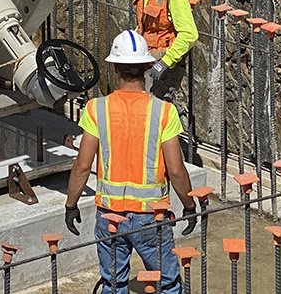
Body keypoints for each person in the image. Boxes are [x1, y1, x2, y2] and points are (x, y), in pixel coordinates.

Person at [65, 30, 199, 294]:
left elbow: (82, 166)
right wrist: (189, 204)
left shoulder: (96, 109)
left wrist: (70, 204)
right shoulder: (164, 111)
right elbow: (176, 169)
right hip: (152, 216)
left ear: (115, 68)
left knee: (113, 285)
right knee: (169, 284)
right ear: (147, 66)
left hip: (110, 216)